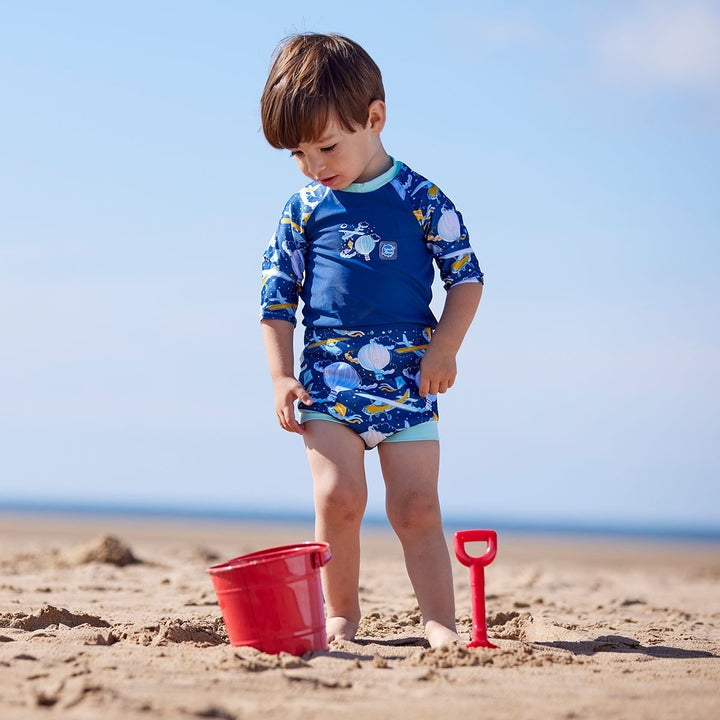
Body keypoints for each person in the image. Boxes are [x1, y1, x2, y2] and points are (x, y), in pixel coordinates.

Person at [259, 33, 483, 648]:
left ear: (375, 117)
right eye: (298, 154)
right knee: (339, 496)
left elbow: (466, 280)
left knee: (416, 508)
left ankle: (439, 620)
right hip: (329, 380)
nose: (315, 166)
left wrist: (445, 350)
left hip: (411, 380)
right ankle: (342, 616)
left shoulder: (421, 199)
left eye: (326, 146)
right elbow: (275, 301)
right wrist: (280, 376)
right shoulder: (303, 210)